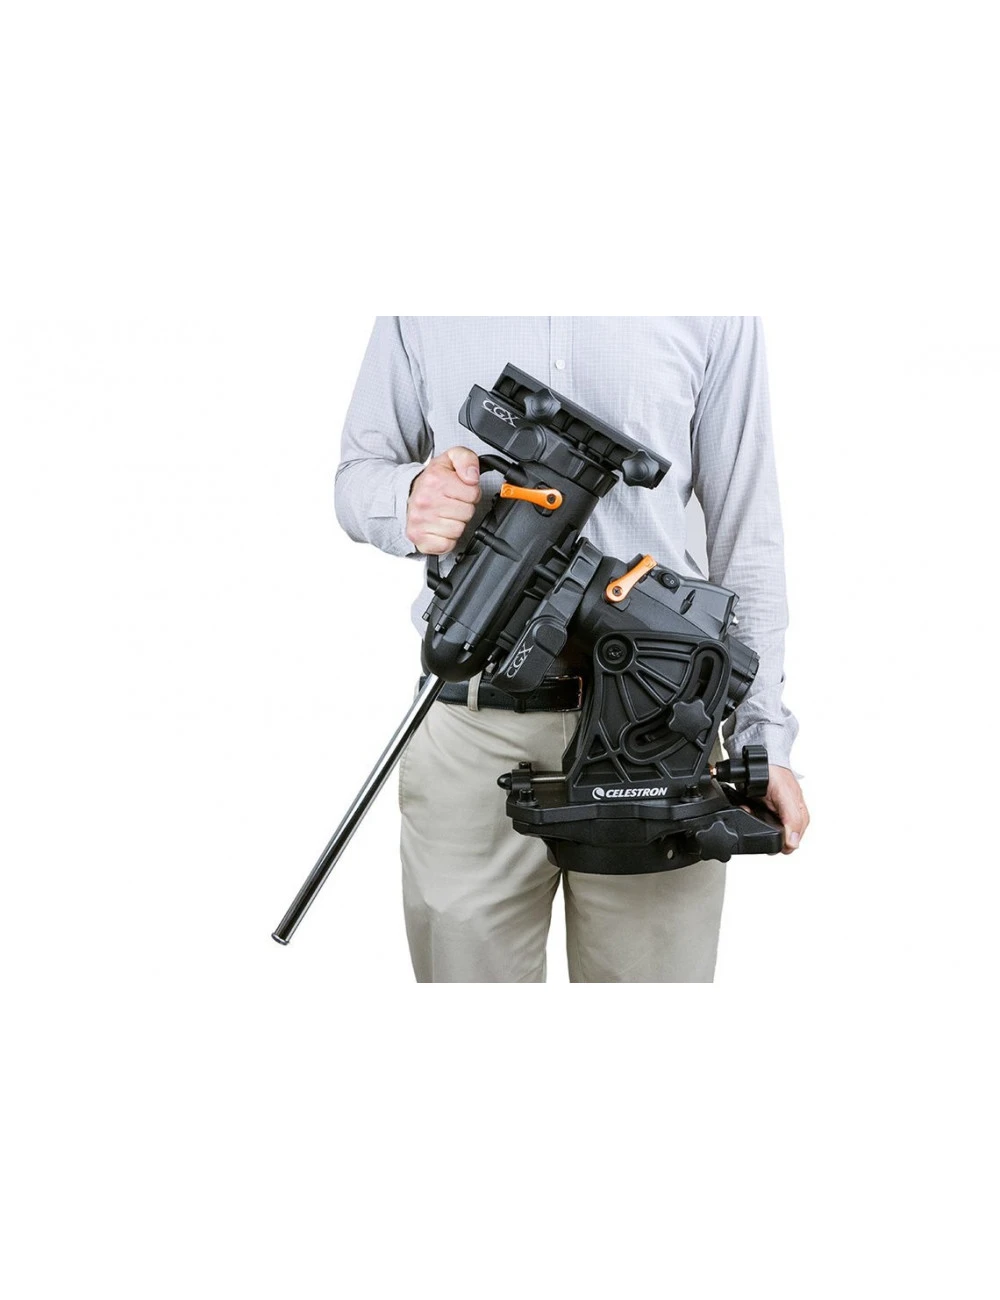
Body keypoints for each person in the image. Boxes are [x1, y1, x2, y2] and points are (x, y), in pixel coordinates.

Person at [335, 317, 809, 983]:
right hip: (472, 730)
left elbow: (747, 528)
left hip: (657, 731)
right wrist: (408, 497)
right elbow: (358, 474)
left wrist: (763, 741)